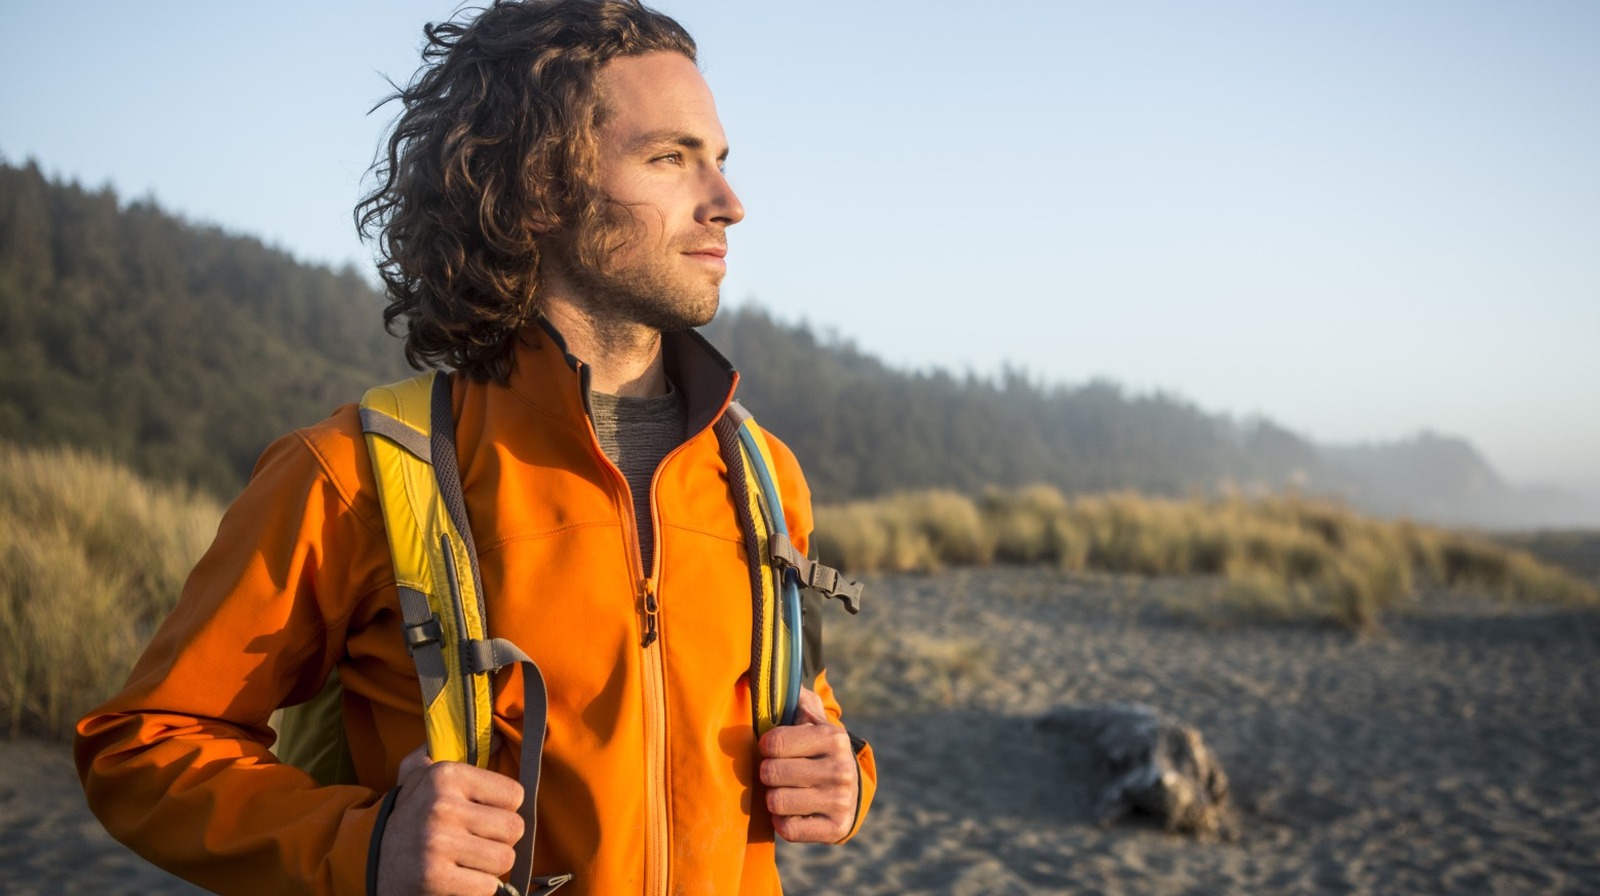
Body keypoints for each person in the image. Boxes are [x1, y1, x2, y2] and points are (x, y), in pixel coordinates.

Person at [73, 1, 877, 893]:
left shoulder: (762, 471)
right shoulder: (354, 472)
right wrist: (362, 847)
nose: (727, 203)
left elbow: (802, 708)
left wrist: (842, 774)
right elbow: (141, 746)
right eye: (670, 157)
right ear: (538, 184)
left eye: (719, 162)